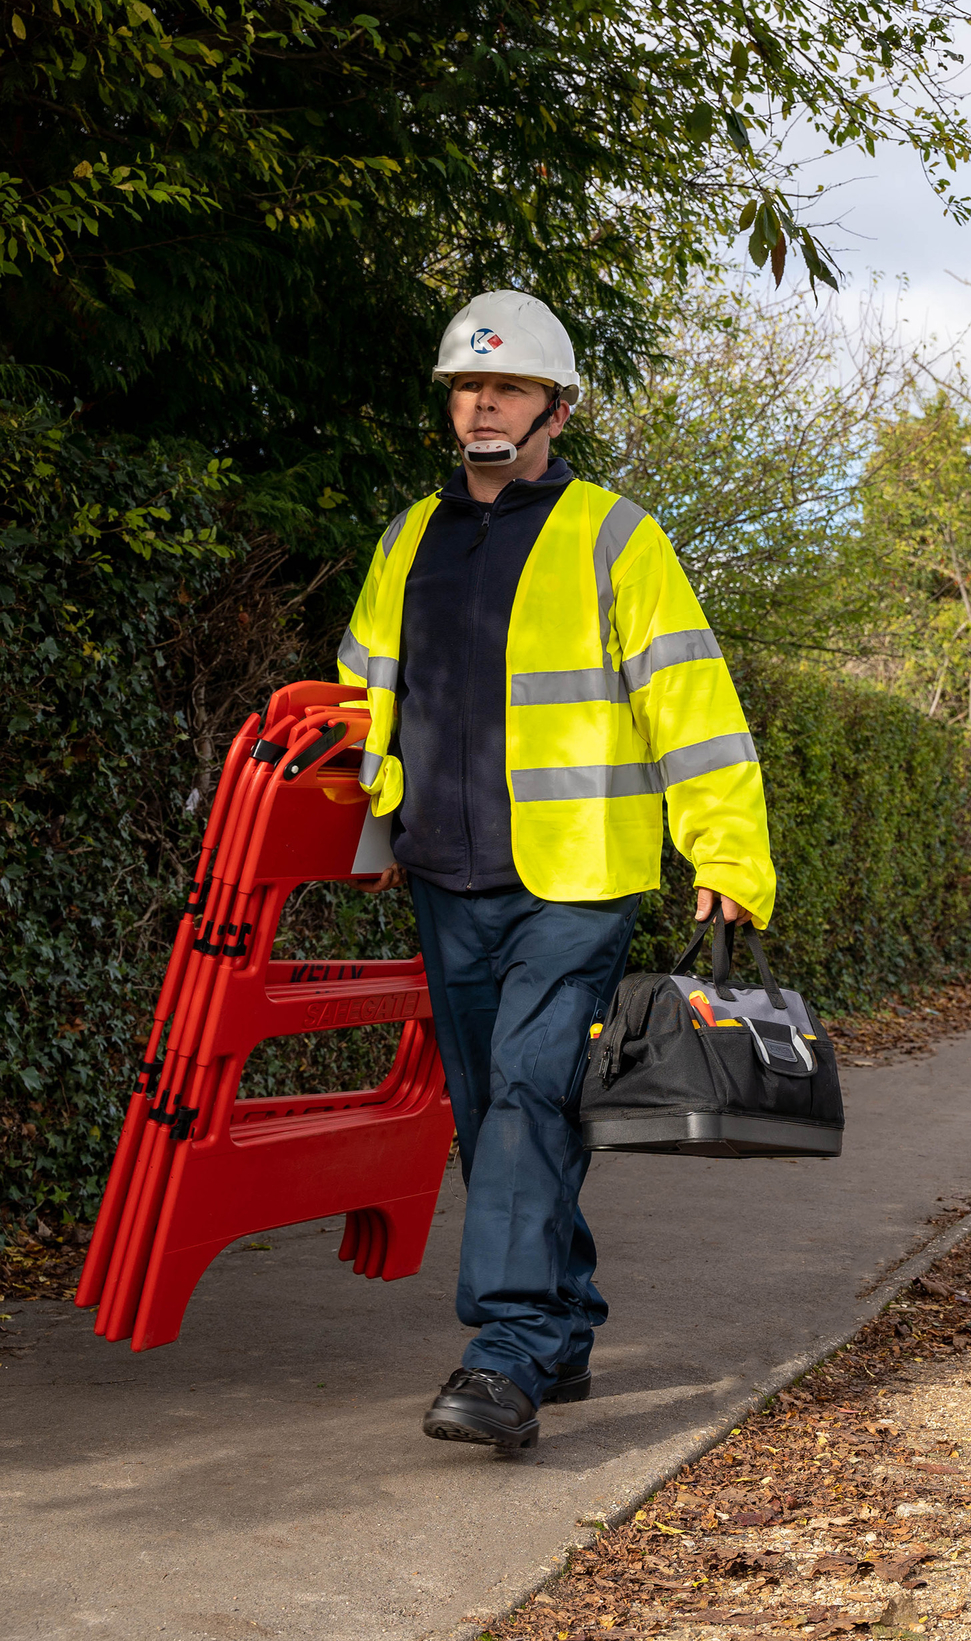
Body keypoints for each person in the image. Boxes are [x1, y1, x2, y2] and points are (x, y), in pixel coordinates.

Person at [337, 290, 775, 1451]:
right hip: (444, 869)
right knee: (491, 1111)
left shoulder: (614, 535)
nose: (482, 402)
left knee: (531, 1087)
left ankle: (508, 1353)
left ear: (556, 409)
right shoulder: (405, 542)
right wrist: (367, 835)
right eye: (468, 387)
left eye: (508, 387)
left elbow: (691, 699)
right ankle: (566, 1321)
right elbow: (361, 703)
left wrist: (726, 853)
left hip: (579, 875)